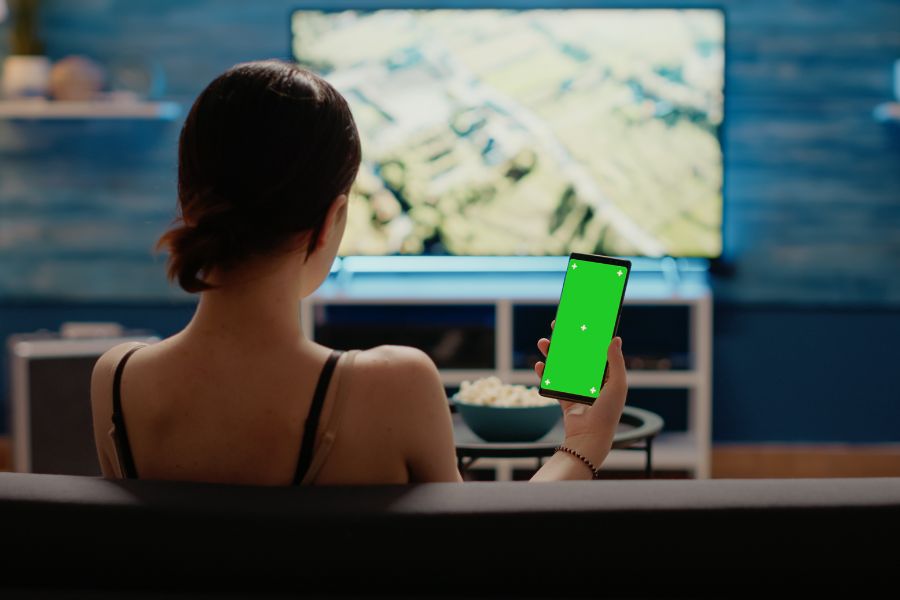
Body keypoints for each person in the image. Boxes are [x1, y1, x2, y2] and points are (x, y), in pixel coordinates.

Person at [90, 60, 627, 486]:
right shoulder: (395, 386)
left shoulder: (116, 381)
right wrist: (583, 444)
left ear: (188, 203)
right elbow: (476, 554)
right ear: (332, 220)